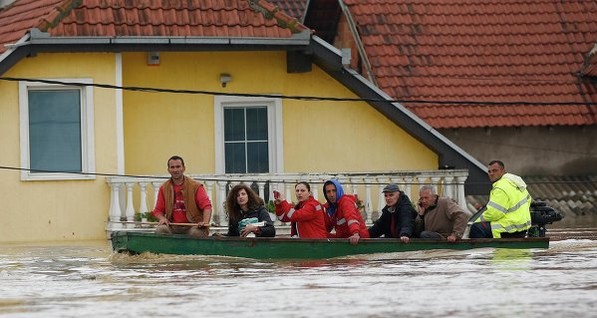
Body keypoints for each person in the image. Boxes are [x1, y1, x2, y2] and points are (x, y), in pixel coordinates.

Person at [151, 155, 212, 237]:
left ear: (184, 168)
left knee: (196, 233)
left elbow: (207, 207)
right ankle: (166, 250)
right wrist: (162, 218)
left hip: (193, 226)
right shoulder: (164, 188)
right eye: (172, 167)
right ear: (168, 170)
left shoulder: (195, 186)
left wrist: (205, 223)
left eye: (178, 167)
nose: (175, 170)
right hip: (172, 226)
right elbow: (158, 210)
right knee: (160, 229)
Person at [469, 160, 532, 238]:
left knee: (476, 228)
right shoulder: (517, 183)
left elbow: (494, 213)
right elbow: (529, 200)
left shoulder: (501, 188)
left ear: (503, 171)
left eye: (495, 171)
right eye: (489, 171)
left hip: (509, 228)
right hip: (522, 227)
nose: (491, 174)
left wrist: (476, 221)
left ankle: (481, 249)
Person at [322, 179, 369, 245]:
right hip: (344, 239)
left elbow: (351, 218)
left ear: (339, 190)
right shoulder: (330, 208)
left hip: (358, 240)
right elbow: (327, 226)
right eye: (328, 192)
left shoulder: (346, 202)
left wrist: (355, 234)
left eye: (334, 191)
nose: (331, 194)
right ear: (325, 194)